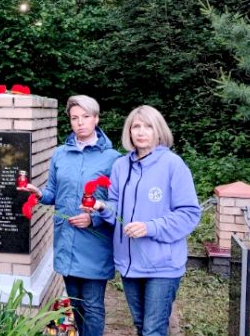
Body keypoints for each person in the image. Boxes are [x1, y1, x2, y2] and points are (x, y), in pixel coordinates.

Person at [83, 105, 201, 336]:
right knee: (141, 325)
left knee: (152, 330)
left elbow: (189, 213)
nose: (141, 132)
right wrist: (102, 207)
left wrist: (149, 227)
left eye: (148, 126)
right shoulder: (120, 166)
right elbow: (116, 206)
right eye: (136, 126)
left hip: (162, 266)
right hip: (130, 264)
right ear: (129, 132)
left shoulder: (173, 165)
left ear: (159, 131)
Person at [23, 95, 120, 336]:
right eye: (75, 118)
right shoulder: (60, 154)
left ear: (96, 119)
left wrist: (93, 218)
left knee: (93, 306)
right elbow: (53, 194)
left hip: (94, 243)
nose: (80, 123)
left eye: (86, 117)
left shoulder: (113, 159)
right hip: (66, 241)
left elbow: (118, 205)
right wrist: (39, 193)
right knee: (76, 304)